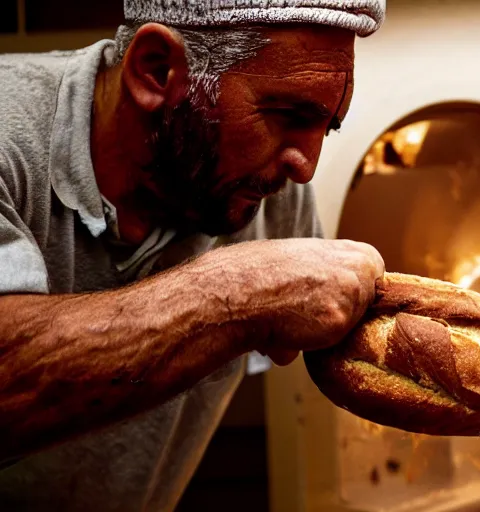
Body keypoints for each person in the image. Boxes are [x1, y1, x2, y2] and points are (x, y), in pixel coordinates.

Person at [0, 1, 386, 510]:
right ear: (157, 70)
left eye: (326, 127)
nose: (305, 168)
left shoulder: (269, 192)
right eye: (288, 115)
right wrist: (238, 296)